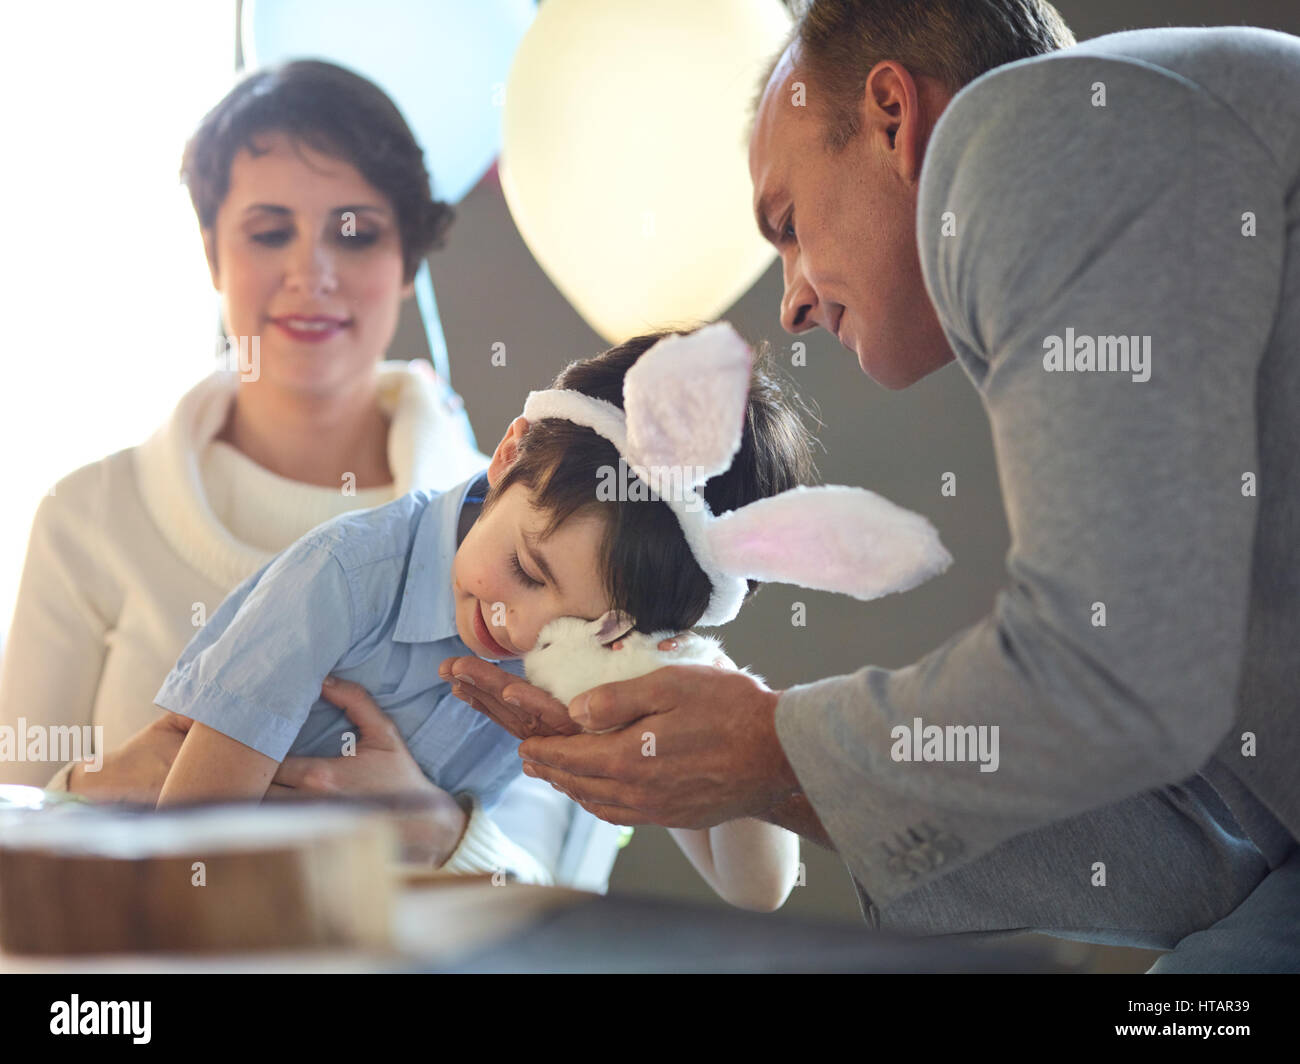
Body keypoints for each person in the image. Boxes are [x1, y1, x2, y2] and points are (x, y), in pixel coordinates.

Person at [444, 1, 1300, 972]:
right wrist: (764, 779)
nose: (791, 301)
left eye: (788, 222)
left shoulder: (1038, 126)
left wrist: (774, 745)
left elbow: (1102, 674)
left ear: (894, 113)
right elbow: (1208, 857)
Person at [0, 59, 569, 880]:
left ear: (408, 262)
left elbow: (569, 884)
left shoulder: (528, 540)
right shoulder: (88, 516)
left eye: (357, 232)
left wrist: (438, 833)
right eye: (269, 232)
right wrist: (93, 788)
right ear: (211, 252)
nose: (313, 274)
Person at [154, 326, 811, 911]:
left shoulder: (606, 659)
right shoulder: (344, 578)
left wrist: (707, 682)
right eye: (527, 570)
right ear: (509, 455)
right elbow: (185, 849)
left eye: (584, 627)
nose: (522, 628)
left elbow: (758, 888)